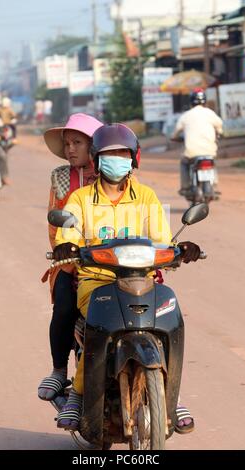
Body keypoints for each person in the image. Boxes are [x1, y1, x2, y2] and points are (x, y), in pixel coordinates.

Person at [52, 123, 200, 432]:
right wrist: (67, 244)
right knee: (98, 327)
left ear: (133, 159)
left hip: (142, 279)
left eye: (122, 154)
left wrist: (180, 250)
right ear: (96, 159)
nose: (116, 159)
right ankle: (78, 395)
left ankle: (171, 393)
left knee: (169, 316)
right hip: (95, 280)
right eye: (109, 154)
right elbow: (68, 233)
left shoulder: (146, 197)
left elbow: (162, 240)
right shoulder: (79, 200)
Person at [38, 113, 103, 401]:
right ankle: (58, 370)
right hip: (72, 262)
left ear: (95, 145)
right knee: (64, 308)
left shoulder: (114, 172)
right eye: (68, 144)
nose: (71, 149)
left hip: (113, 260)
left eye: (78, 142)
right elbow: (56, 225)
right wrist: (67, 255)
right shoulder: (62, 178)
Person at [172, 88, 223, 195]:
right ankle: (214, 183)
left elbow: (176, 132)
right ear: (205, 100)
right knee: (212, 162)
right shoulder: (210, 113)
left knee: (184, 162)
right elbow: (219, 126)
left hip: (191, 152)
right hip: (209, 151)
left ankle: (185, 186)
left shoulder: (185, 116)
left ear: (191, 101)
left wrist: (174, 137)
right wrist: (218, 133)